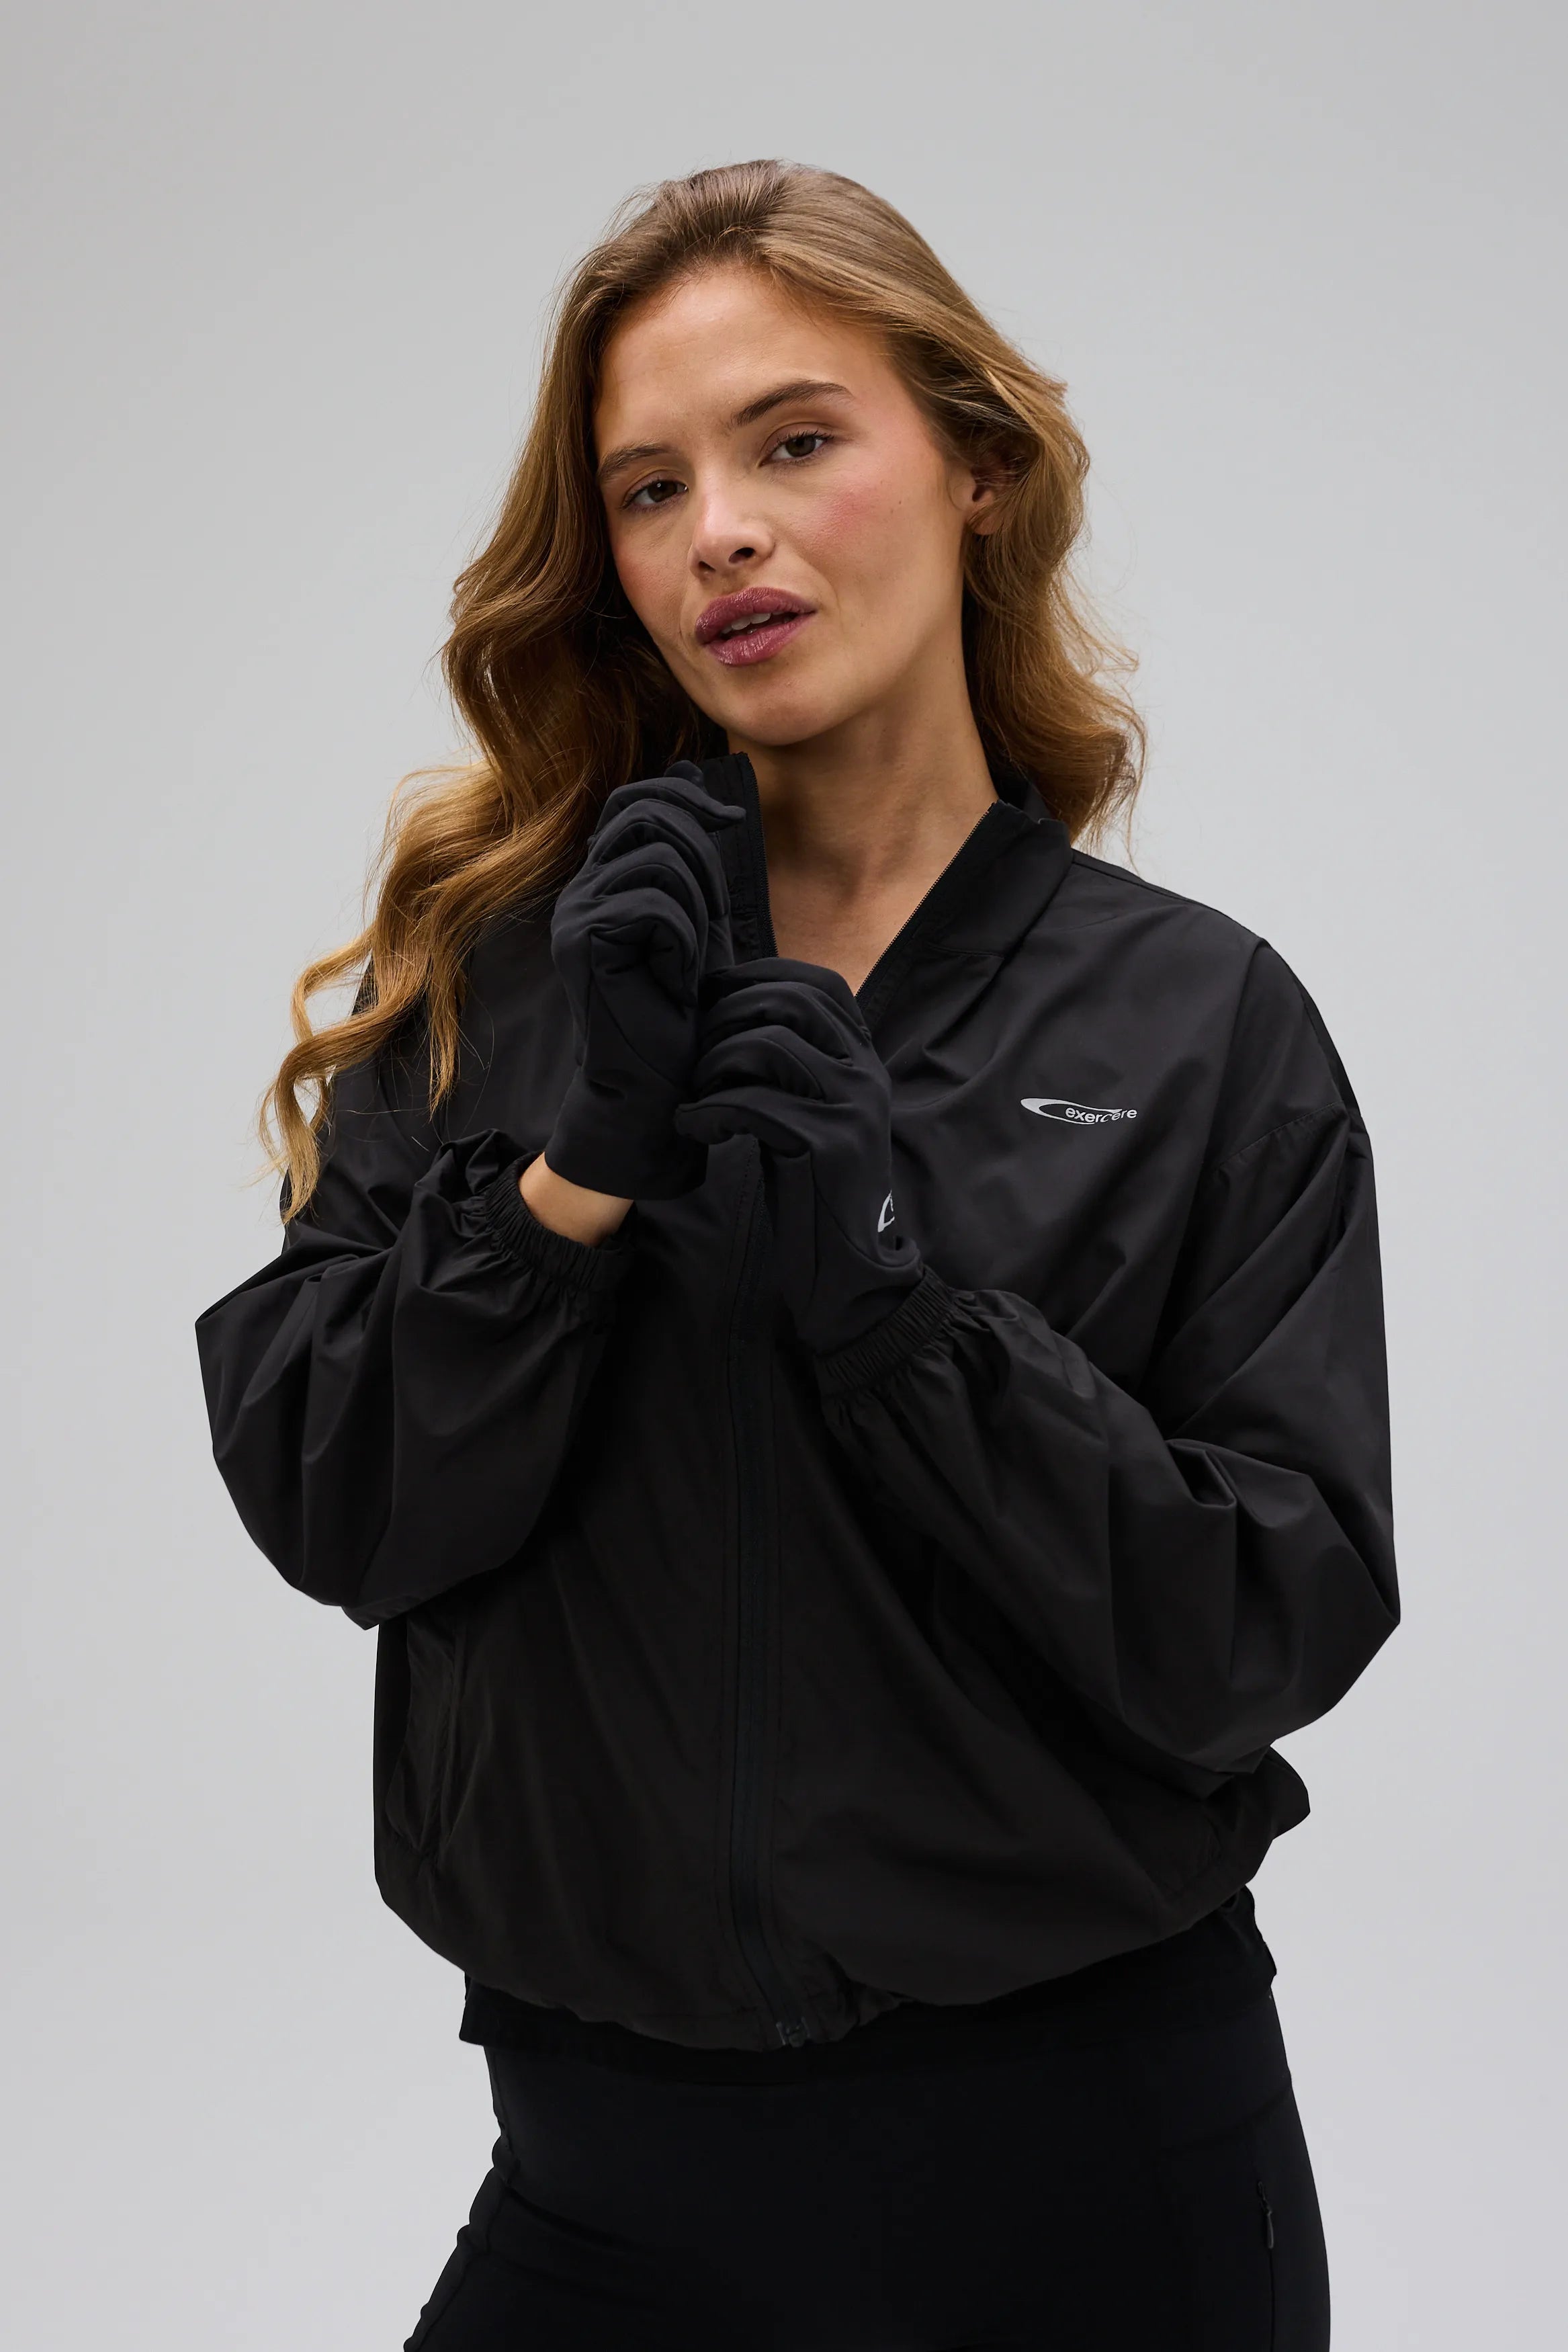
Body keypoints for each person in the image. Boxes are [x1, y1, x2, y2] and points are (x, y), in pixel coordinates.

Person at [195, 160, 1399, 2351]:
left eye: (794, 442)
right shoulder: (495, 992)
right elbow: (336, 1503)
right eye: (649, 489)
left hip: (1100, 2196)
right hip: (604, 2194)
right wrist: (572, 1182)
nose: (719, 533)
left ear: (978, 469)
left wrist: (899, 1308)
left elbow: (1262, 1624)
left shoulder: (1199, 1025)